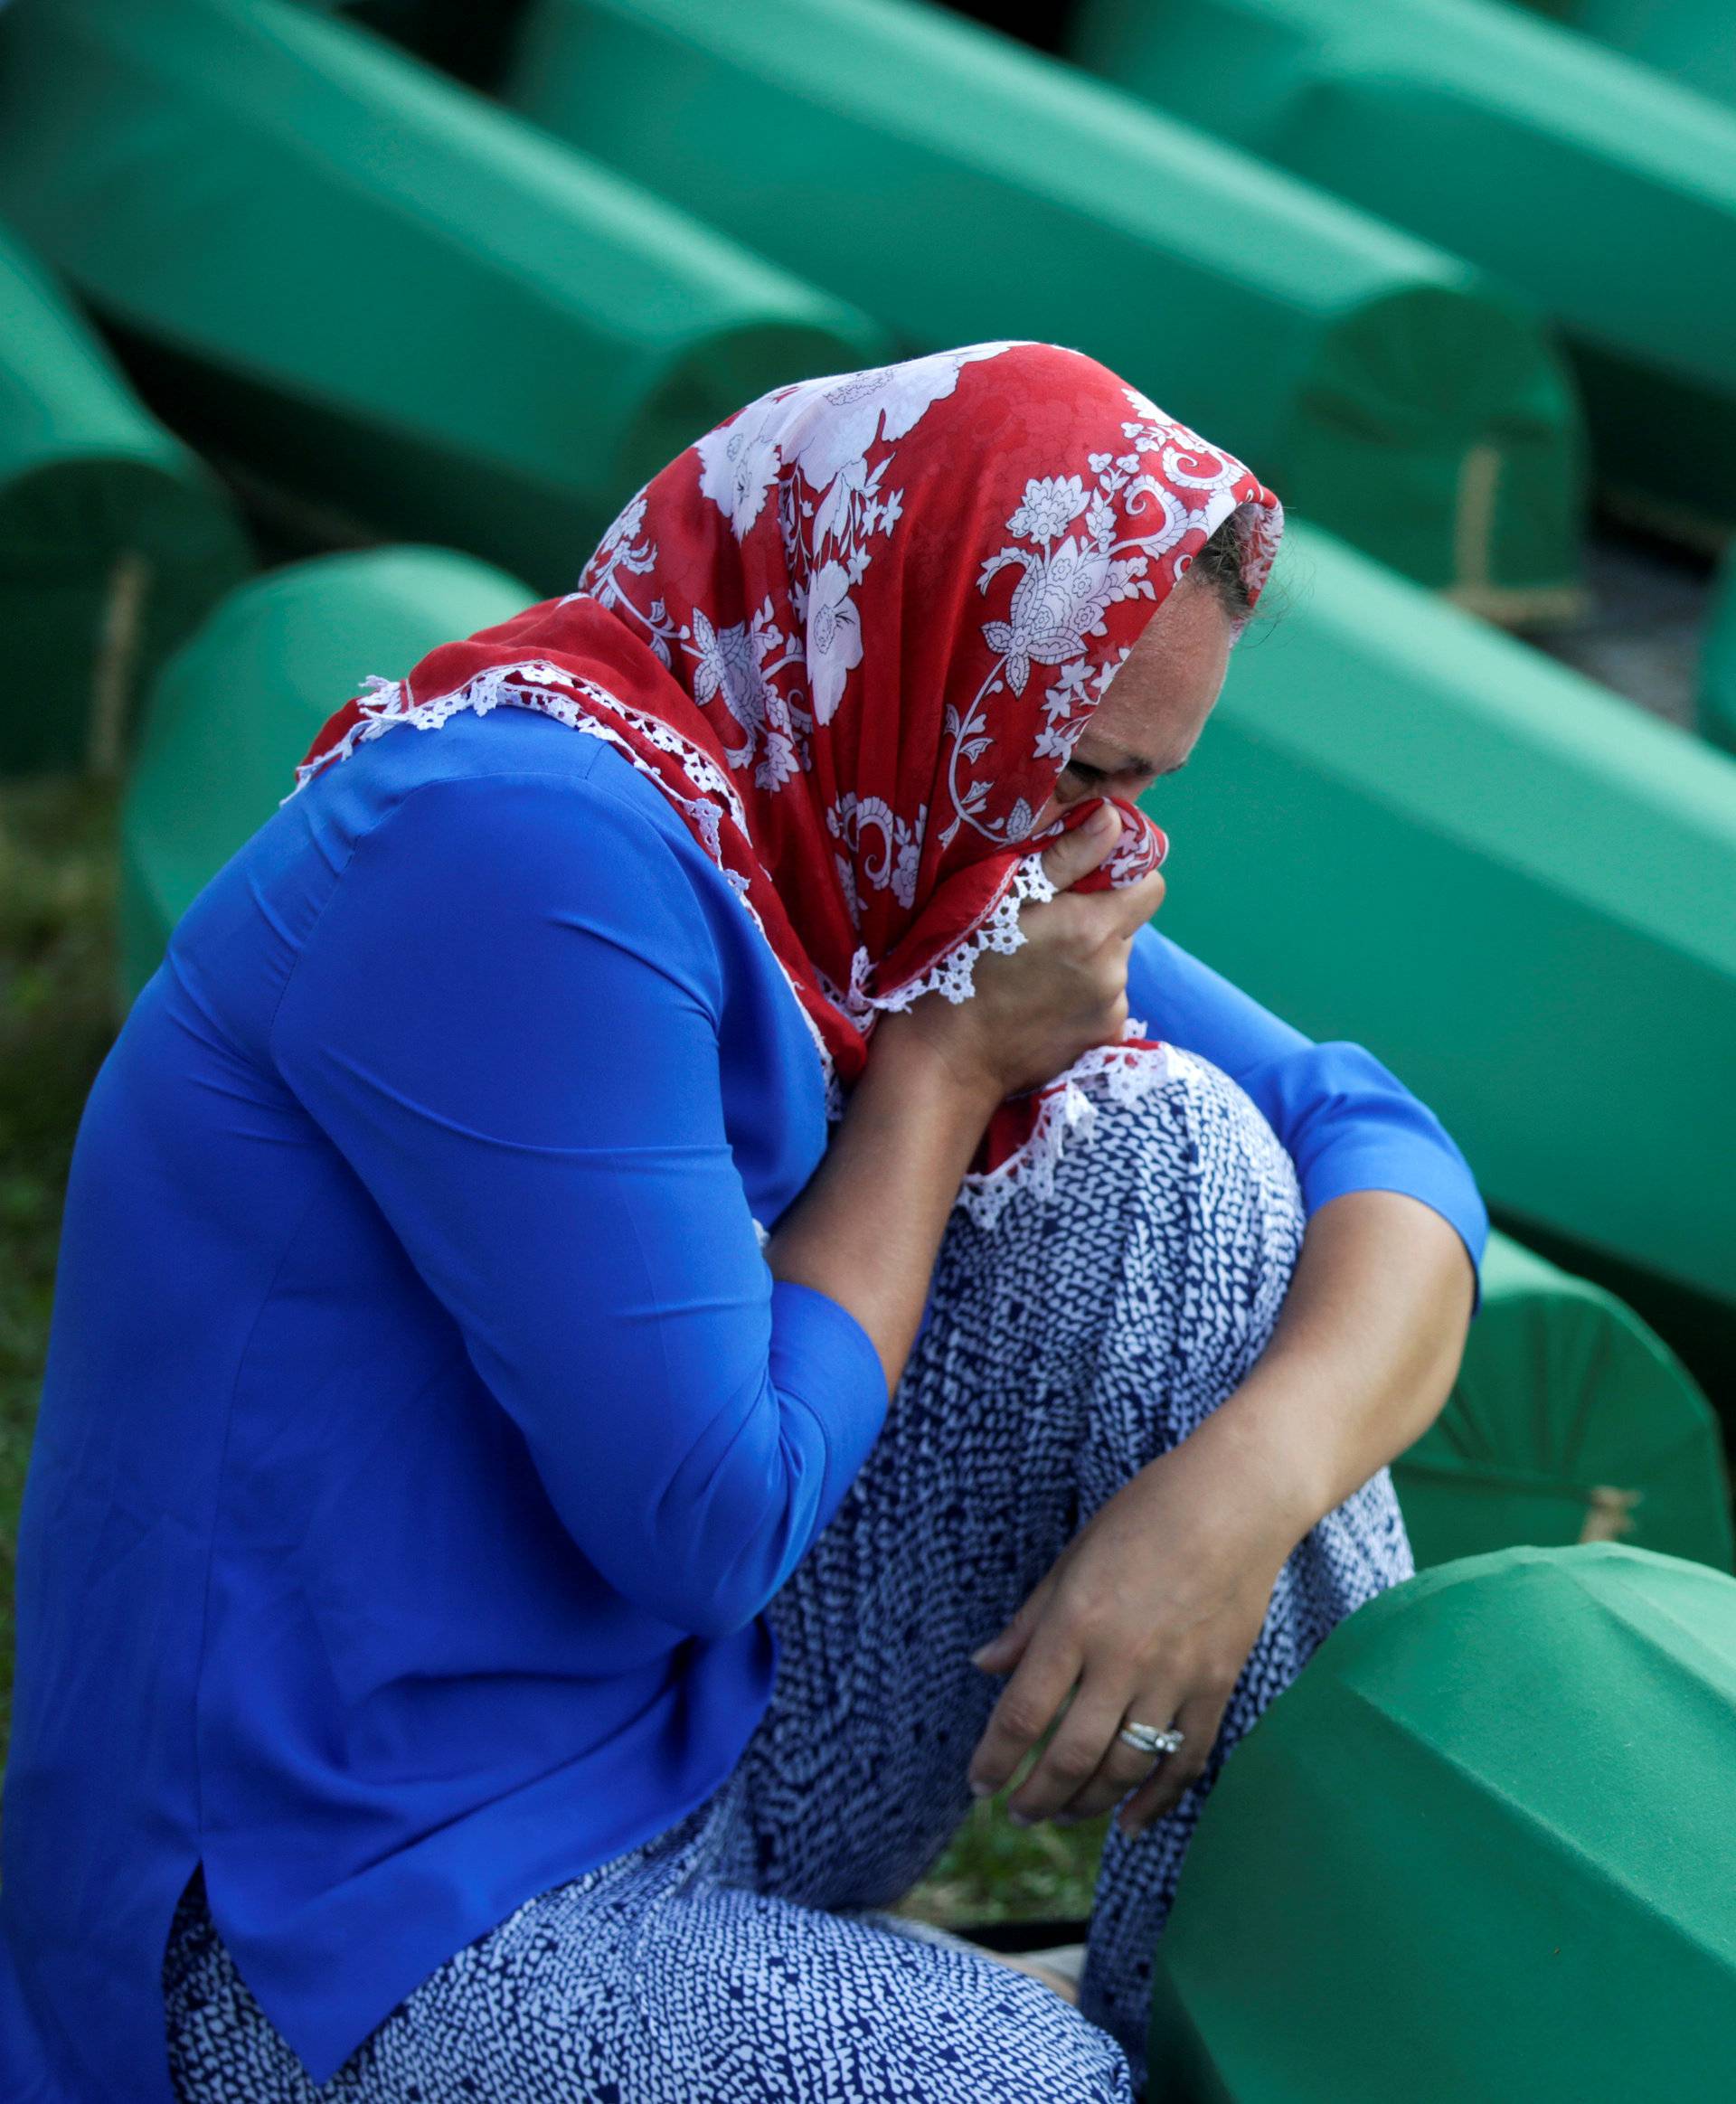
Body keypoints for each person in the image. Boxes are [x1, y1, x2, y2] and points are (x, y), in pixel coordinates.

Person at [0, 341, 1482, 2103]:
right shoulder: (505, 853)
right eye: (1075, 767)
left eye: (1134, 780)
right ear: (932, 649)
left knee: (1185, 1157)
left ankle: (1259, 2039)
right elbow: (702, 1519)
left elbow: (1370, 1138)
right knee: (1011, 2090)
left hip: (702, 1748)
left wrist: (1230, 1503)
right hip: (332, 1920)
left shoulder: (863, 820)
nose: (1106, 837)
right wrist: (939, 1072)